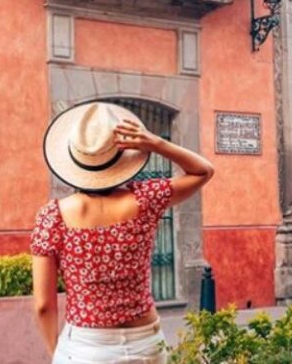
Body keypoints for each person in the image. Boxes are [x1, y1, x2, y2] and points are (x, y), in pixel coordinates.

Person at [31, 99, 214, 363]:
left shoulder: (53, 217)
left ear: (75, 163)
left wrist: (56, 352)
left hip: (86, 346)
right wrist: (155, 143)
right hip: (146, 341)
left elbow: (43, 305)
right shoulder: (145, 199)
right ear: (121, 160)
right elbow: (203, 171)